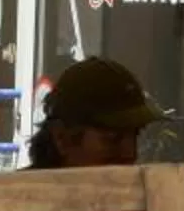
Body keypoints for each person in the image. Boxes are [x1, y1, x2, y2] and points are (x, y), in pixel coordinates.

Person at [25, 56, 161, 170]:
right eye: (113, 139)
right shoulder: (19, 193)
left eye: (136, 135)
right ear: (62, 139)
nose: (131, 154)